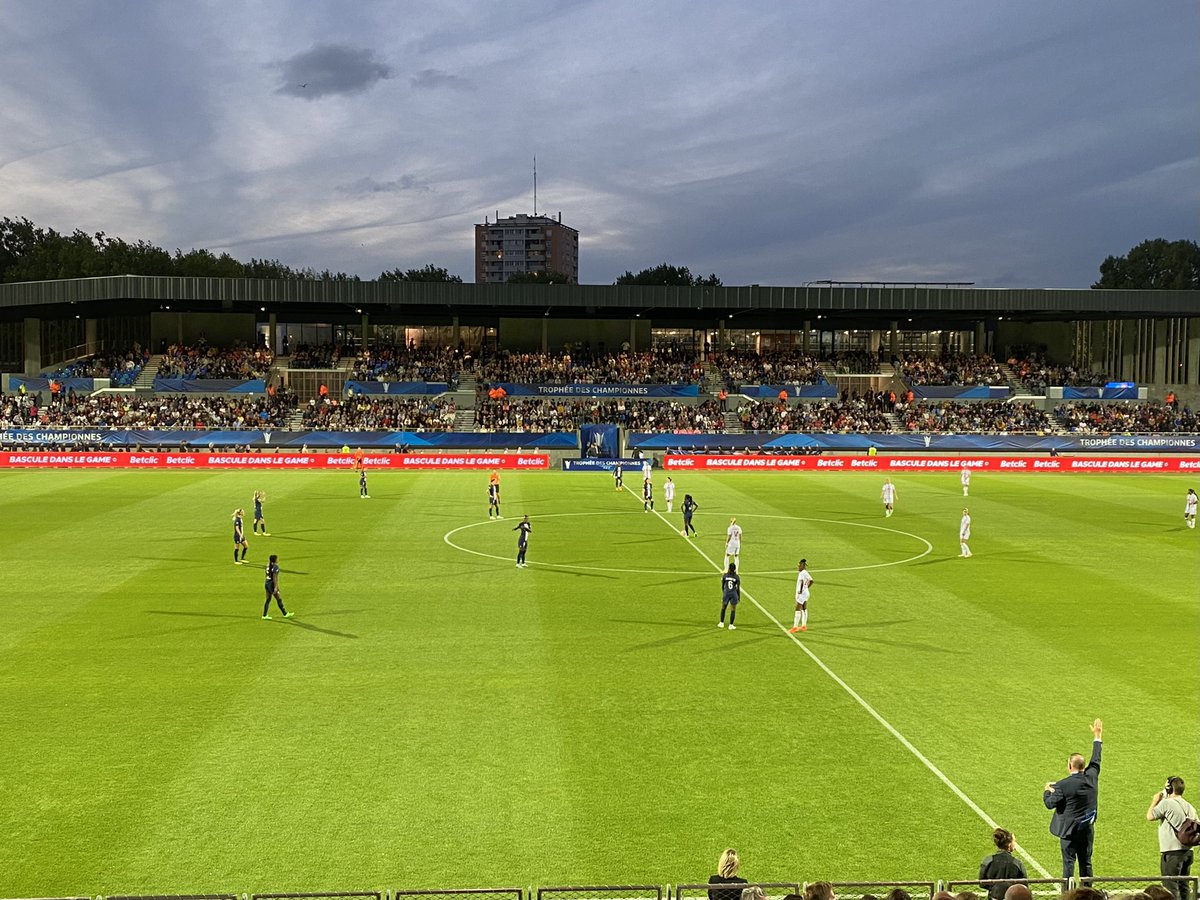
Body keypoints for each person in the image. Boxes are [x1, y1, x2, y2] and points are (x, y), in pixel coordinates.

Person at [1043, 717, 1103, 878]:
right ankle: (1087, 889)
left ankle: (1068, 891)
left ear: (1070, 766)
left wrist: (1047, 791)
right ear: (1083, 766)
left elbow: (1049, 804)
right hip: (1086, 830)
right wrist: (1097, 736)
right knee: (1086, 862)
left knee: (1068, 863)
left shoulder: (1062, 785)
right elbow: (1096, 759)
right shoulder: (1092, 777)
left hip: (1068, 832)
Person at [1147, 776, 1197, 900]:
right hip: (1188, 852)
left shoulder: (1166, 803)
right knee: (1184, 885)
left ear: (1169, 789)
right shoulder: (1189, 806)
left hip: (1172, 852)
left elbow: (1150, 816)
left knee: (1170, 887)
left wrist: (1155, 801)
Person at [978, 827, 1028, 900]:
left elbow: (982, 883)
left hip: (993, 897)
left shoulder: (988, 861)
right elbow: (1024, 885)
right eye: (1014, 841)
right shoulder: (1017, 863)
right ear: (1009, 845)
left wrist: (994, 888)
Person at [262, 553, 293, 619]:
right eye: (277, 559)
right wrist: (275, 587)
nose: (278, 560)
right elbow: (275, 577)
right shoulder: (275, 566)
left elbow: (266, 574)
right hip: (272, 584)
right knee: (278, 599)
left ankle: (264, 615)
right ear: (275, 560)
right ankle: (285, 614)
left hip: (267, 583)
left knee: (268, 599)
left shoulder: (268, 565)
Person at [788, 558, 813, 633]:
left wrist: (801, 590)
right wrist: (806, 588)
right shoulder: (805, 572)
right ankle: (804, 626)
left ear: (803, 565)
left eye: (799, 565)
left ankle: (795, 627)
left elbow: (802, 582)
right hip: (806, 593)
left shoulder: (802, 573)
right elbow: (811, 581)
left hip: (802, 594)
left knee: (797, 609)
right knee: (804, 608)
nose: (798, 567)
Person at [718, 562, 740, 630]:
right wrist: (738, 597)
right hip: (733, 594)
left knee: (723, 608)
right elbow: (738, 588)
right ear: (735, 569)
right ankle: (731, 625)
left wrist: (724, 593)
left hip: (726, 593)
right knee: (733, 609)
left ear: (729, 568)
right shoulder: (737, 577)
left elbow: (722, 586)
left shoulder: (725, 575)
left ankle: (721, 623)